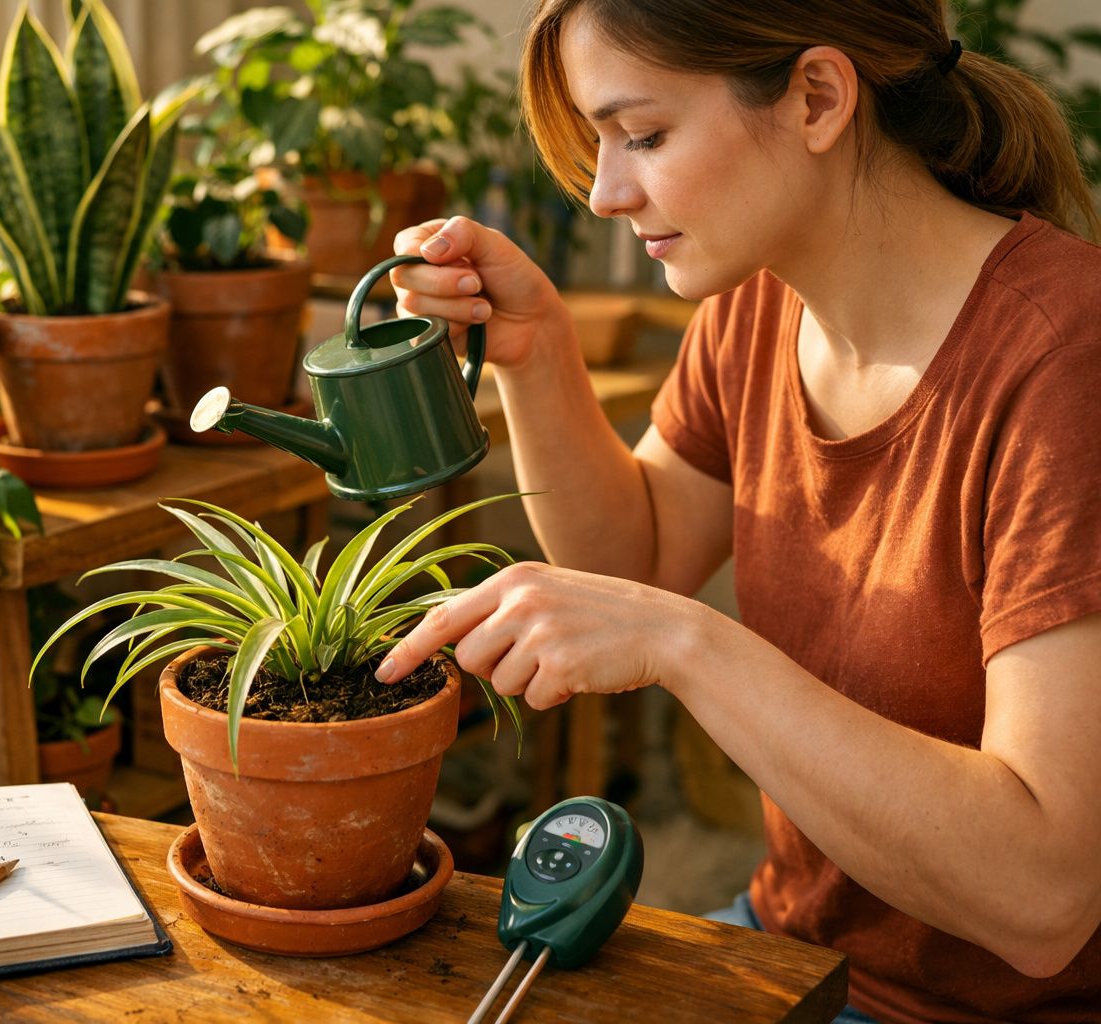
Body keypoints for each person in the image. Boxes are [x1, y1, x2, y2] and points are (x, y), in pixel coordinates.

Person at [373, 1, 1101, 1021]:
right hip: (798, 950)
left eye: (646, 135)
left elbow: (1045, 896)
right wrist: (534, 353)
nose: (605, 194)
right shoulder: (761, 304)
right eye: (600, 144)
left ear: (816, 98)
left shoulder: (1065, 361)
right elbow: (644, 550)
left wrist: (688, 644)